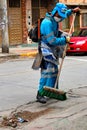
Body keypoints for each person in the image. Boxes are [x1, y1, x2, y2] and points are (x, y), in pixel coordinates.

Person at [36, 2, 80, 103]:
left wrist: (72, 11)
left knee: (54, 72)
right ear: (55, 12)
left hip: (52, 49)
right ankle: (40, 93)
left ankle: (51, 91)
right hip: (46, 49)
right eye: (60, 15)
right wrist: (65, 40)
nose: (61, 17)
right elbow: (51, 40)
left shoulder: (55, 18)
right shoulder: (47, 23)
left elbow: (65, 14)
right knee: (46, 73)